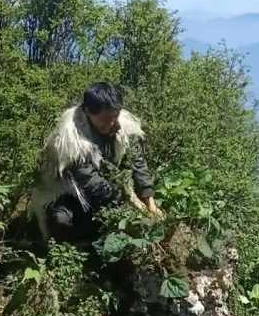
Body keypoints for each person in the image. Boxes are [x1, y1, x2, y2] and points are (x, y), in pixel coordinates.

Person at [31, 82, 162, 242]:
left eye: (114, 118)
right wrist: (131, 204)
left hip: (110, 183)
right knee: (62, 221)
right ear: (87, 111)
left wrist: (149, 201)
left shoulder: (123, 123)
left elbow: (138, 162)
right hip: (69, 191)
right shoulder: (71, 139)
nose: (112, 123)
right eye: (105, 120)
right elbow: (91, 182)